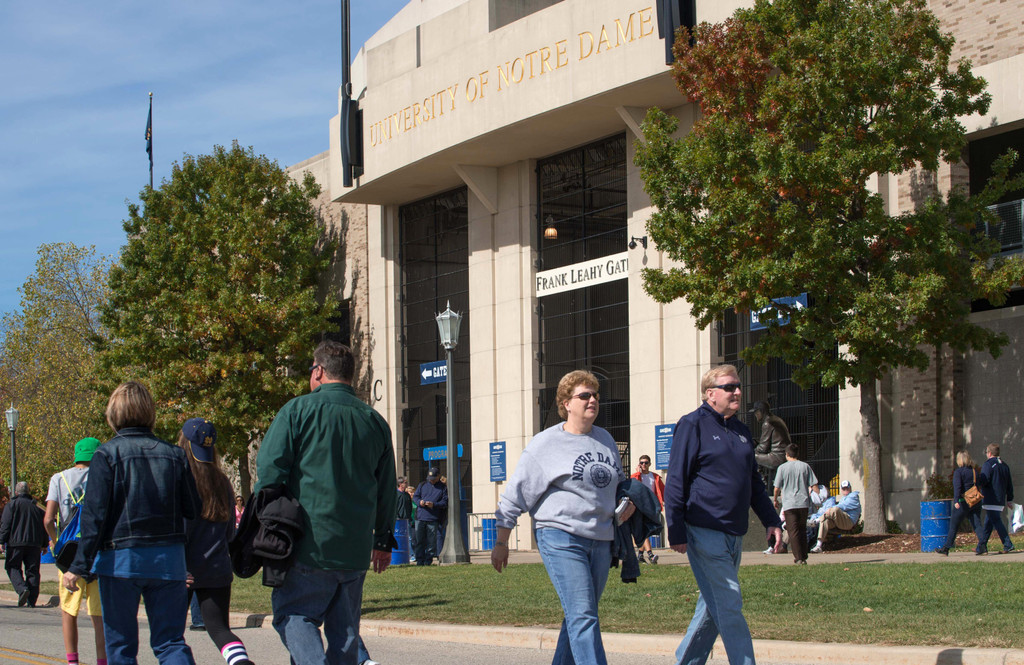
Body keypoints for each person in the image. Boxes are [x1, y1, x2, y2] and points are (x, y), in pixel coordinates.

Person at [256, 340, 397, 665]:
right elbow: (387, 489)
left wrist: (267, 524)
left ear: (318, 371)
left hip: (308, 544)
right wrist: (382, 539)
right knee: (344, 633)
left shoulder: (297, 411)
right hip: (354, 550)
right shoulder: (374, 421)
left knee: (294, 615)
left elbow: (269, 473)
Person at [492, 369, 631, 665]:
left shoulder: (605, 439)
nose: (592, 400)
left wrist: (627, 502)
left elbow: (619, 484)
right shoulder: (546, 443)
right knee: (583, 615)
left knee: (579, 616)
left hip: (601, 538)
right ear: (566, 403)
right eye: (585, 395)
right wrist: (501, 541)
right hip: (560, 536)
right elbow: (516, 493)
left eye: (595, 395)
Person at [63, 381, 202, 665]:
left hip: (120, 561)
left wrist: (78, 566)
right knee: (171, 642)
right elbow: (193, 509)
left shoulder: (106, 455)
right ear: (149, 412)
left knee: (122, 647)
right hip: (168, 559)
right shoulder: (175, 455)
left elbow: (94, 517)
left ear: (113, 413)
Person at [665, 364, 783, 665]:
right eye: (730, 387)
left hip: (734, 532)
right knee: (729, 602)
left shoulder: (741, 430)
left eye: (738, 386)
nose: (738, 392)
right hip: (703, 529)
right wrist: (675, 529)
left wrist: (771, 520)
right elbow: (676, 479)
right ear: (711, 393)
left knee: (711, 607)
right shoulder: (692, 425)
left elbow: (753, 482)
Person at [179, 418, 254, 665]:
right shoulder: (223, 482)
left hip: (183, 570)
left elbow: (179, 530)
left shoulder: (181, 480)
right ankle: (240, 662)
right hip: (217, 568)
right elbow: (230, 533)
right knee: (220, 629)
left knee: (171, 635)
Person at [44, 437, 107, 665]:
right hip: (98, 552)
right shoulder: (104, 476)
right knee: (99, 615)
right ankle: (102, 661)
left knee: (68, 611)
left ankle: (72, 661)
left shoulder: (59, 478)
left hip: (69, 554)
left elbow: (48, 519)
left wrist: (56, 542)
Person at [1, 481, 49, 608]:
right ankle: (32, 600)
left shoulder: (11, 505)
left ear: (16, 492)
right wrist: (44, 544)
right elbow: (44, 526)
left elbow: (5, 525)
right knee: (33, 571)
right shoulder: (37, 507)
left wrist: (1, 541)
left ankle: (22, 589)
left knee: (12, 566)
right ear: (28, 492)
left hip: (15, 543)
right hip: (34, 544)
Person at [772, 444, 818, 565]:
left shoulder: (782, 468)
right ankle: (803, 555)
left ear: (787, 454)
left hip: (789, 504)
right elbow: (814, 484)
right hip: (803, 503)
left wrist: (775, 499)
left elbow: (776, 488)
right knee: (802, 529)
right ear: (797, 454)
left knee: (793, 531)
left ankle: (798, 557)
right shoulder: (805, 466)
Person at [935, 451, 984, 556]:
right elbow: (979, 484)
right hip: (975, 501)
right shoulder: (974, 471)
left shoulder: (959, 472)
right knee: (977, 524)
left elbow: (957, 487)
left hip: (963, 502)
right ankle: (983, 546)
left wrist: (956, 500)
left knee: (954, 525)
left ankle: (946, 548)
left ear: (959, 460)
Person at [978, 443, 1014, 555]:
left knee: (996, 521)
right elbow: (1009, 484)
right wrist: (1009, 498)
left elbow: (984, 480)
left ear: (989, 453)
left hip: (990, 498)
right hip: (1000, 498)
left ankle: (1008, 544)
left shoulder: (988, 464)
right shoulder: (1004, 465)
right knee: (989, 523)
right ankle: (981, 546)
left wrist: (977, 481)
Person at [809, 480, 861, 553]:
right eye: (844, 488)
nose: (845, 490)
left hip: (849, 522)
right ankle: (818, 546)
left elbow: (843, 506)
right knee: (825, 521)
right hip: (841, 521)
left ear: (850, 488)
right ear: (841, 489)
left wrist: (830, 509)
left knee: (835, 509)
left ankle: (816, 521)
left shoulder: (854, 496)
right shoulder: (843, 498)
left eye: (847, 488)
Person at [630, 454, 665, 564]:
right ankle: (650, 554)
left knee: (647, 530)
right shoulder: (635, 476)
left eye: (646, 463)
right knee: (645, 529)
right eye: (641, 463)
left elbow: (663, 491)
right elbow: (633, 488)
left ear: (650, 464)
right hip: (640, 506)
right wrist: (638, 473)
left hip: (651, 506)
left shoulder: (655, 477)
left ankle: (640, 555)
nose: (643, 465)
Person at [412, 467, 447, 566]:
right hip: (420, 517)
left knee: (431, 542)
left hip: (433, 518)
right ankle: (420, 560)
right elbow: (415, 497)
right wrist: (420, 502)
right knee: (419, 540)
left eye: (433, 478)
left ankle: (428, 560)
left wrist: (434, 505)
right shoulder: (422, 485)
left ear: (438, 476)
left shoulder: (443, 487)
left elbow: (444, 502)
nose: (431, 480)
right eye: (430, 478)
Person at [750, 401, 791, 485]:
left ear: (761, 411)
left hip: (777, 457)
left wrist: (751, 450)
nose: (755, 415)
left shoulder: (767, 423)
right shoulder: (776, 419)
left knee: (752, 456)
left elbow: (763, 448)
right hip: (784, 454)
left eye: (756, 412)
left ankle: (761, 481)